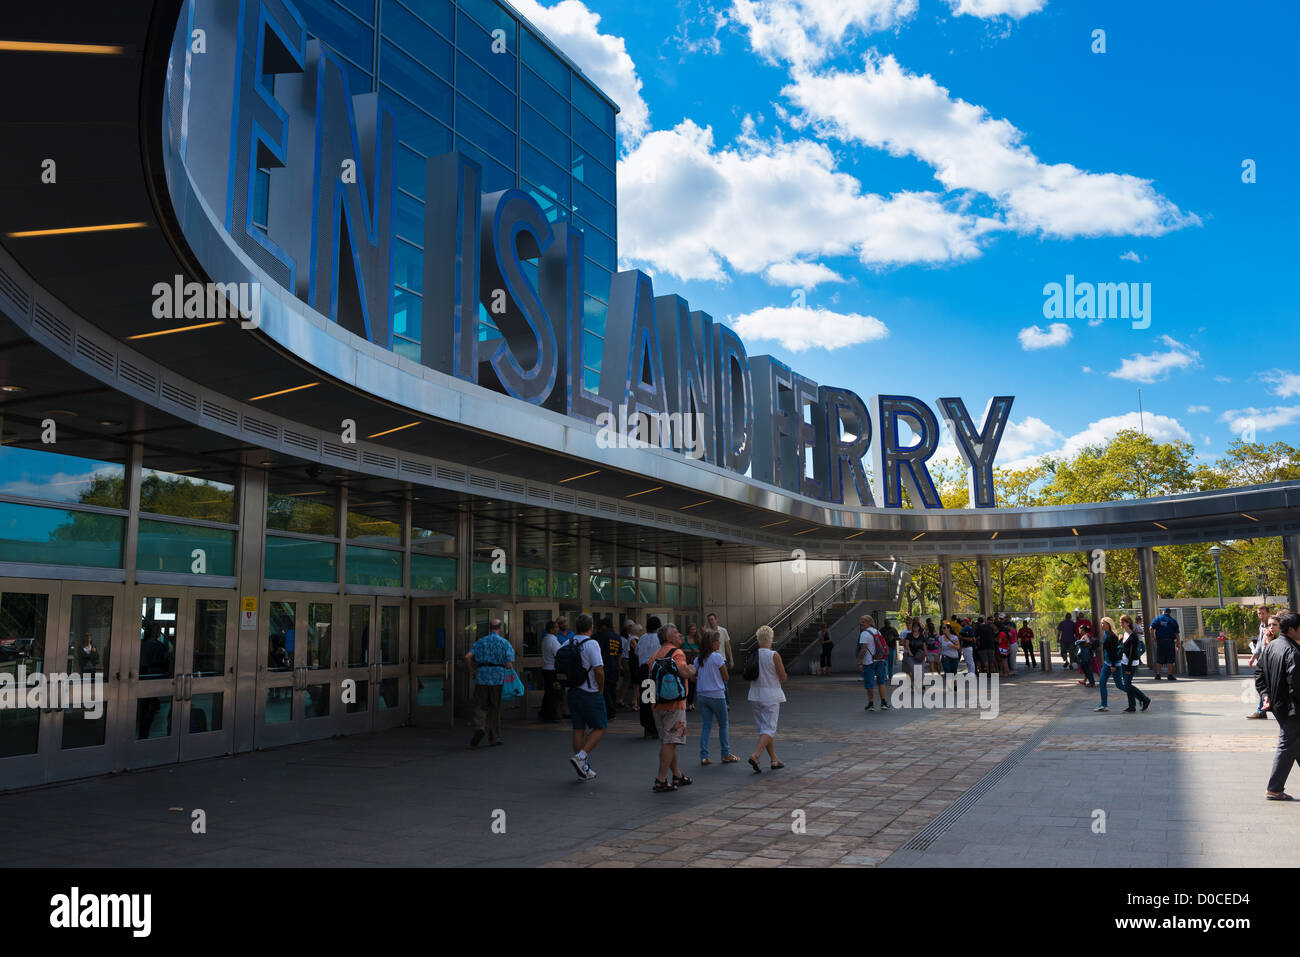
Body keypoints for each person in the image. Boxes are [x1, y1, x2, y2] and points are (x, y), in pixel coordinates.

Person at [1256, 611, 1300, 800]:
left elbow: (1259, 674)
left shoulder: (1272, 646)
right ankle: (1274, 788)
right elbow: (1296, 682)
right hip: (1292, 707)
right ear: (1291, 630)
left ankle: (1274, 787)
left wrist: (1265, 695)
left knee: (1294, 742)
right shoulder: (1292, 651)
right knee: (1287, 744)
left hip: (1278, 705)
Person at [649, 623, 696, 792]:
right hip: (675, 704)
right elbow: (684, 672)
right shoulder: (677, 653)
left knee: (670, 740)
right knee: (670, 742)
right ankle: (660, 780)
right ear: (668, 638)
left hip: (657, 704)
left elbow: (650, 679)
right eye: (675, 632)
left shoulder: (655, 655)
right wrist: (692, 669)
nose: (679, 634)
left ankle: (677, 774)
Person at [565, 613, 606, 780]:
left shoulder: (567, 642)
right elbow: (599, 670)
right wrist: (600, 689)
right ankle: (581, 757)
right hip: (589, 691)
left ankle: (584, 767)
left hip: (572, 690)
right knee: (600, 726)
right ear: (591, 627)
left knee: (578, 728)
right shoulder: (592, 644)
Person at [465, 618, 514, 748]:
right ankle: (494, 737)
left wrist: (471, 670)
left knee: (479, 705)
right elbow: (509, 664)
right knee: (495, 707)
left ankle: (479, 727)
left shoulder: (481, 641)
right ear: (500, 628)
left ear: (489, 628)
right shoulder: (505, 643)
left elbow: (467, 657)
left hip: (482, 677)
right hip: (498, 677)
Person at [746, 625, 787, 773]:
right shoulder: (773, 655)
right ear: (771, 639)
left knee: (764, 729)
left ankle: (774, 760)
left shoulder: (753, 654)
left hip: (755, 695)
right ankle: (756, 755)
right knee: (769, 729)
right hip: (771, 695)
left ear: (758, 639)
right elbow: (783, 677)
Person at [695, 631, 737, 766]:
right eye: (717, 641)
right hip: (717, 695)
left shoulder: (698, 659)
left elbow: (692, 677)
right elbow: (726, 677)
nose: (719, 643)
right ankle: (725, 753)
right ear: (712, 644)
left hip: (702, 695)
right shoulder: (717, 658)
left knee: (706, 726)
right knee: (723, 724)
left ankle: (704, 756)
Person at [1247, 613, 1278, 719]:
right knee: (1264, 685)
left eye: (1274, 625)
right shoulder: (1264, 629)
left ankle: (1262, 710)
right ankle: (1261, 710)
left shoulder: (1280, 637)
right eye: (1270, 625)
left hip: (1274, 666)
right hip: (1266, 663)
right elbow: (1260, 645)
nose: (1271, 627)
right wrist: (1253, 657)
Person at [636, 616, 662, 739]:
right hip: (655, 669)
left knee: (646, 699)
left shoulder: (642, 638)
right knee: (655, 700)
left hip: (643, 670)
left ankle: (647, 728)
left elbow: (636, 652)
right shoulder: (659, 639)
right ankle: (656, 728)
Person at [856, 615, 888, 711]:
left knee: (869, 683)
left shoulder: (864, 634)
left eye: (863, 621)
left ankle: (871, 703)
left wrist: (860, 662)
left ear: (869, 622)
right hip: (880, 660)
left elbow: (864, 649)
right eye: (861, 621)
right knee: (881, 681)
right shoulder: (877, 631)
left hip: (869, 661)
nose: (861, 623)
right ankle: (883, 702)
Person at [1096, 617, 1126, 711]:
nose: (1101, 625)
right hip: (1107, 663)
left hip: (1114, 664)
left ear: (1108, 624)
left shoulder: (1112, 635)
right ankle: (1104, 705)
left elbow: (1113, 652)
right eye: (1101, 623)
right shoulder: (1105, 634)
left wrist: (1113, 665)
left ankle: (1139, 696)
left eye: (1103, 623)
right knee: (1102, 682)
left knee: (1119, 685)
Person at [1121, 622, 1151, 713]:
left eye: (1122, 622)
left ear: (1127, 623)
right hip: (1124, 662)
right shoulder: (1124, 634)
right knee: (1127, 685)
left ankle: (1145, 699)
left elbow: (1132, 652)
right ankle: (1132, 706)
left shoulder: (1133, 636)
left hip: (1131, 663)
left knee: (1127, 684)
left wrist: (1129, 667)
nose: (1120, 624)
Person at [539, 620, 564, 723]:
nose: (558, 629)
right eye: (556, 627)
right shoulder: (553, 640)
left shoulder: (545, 639)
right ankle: (552, 715)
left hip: (546, 669)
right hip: (552, 670)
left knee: (548, 693)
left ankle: (544, 713)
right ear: (551, 629)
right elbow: (559, 654)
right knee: (555, 693)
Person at [1149, 607, 1180, 680]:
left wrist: (1153, 637)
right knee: (1170, 658)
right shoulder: (1173, 621)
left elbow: (1151, 628)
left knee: (1160, 656)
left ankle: (1158, 674)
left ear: (1163, 612)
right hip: (1170, 641)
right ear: (1169, 613)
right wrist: (1178, 642)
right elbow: (1177, 633)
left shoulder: (1158, 619)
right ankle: (1169, 675)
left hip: (1160, 641)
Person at [682, 622, 702, 711]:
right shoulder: (684, 638)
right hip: (686, 662)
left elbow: (703, 650)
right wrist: (689, 650)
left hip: (695, 663)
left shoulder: (698, 639)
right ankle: (687, 702)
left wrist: (696, 650)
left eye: (694, 629)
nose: (693, 631)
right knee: (686, 683)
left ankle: (691, 702)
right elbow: (679, 649)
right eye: (691, 629)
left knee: (693, 683)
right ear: (688, 630)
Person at [1074, 623, 1096, 687]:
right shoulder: (1086, 635)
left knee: (1087, 669)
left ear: (1083, 630)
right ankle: (1091, 682)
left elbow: (1089, 642)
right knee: (1087, 669)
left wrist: (1081, 644)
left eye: (1079, 630)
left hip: (1086, 656)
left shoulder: (1085, 636)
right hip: (1086, 655)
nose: (1079, 631)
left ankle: (1092, 683)